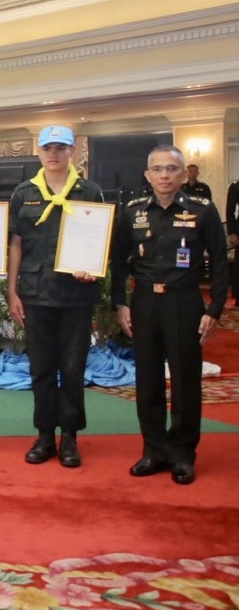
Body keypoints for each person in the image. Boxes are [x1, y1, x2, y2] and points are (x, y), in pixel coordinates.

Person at [111, 145, 228, 485]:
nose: (165, 175)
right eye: (158, 169)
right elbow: (118, 261)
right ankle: (153, 450)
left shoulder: (202, 209)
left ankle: (182, 453)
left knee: (185, 381)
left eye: (172, 169)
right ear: (147, 175)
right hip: (145, 303)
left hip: (184, 302)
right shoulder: (132, 211)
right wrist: (120, 303)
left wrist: (215, 308)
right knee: (147, 380)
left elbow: (220, 262)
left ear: (183, 174)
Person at [7, 125, 103, 469]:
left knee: (73, 368)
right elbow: (16, 245)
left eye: (61, 148)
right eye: (48, 148)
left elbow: (99, 240)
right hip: (36, 294)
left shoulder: (89, 192)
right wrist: (12, 290)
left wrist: (93, 268)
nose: (54, 154)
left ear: (72, 151)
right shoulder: (24, 193)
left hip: (76, 295)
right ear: (39, 151)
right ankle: (45, 435)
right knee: (41, 368)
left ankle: (70, 437)